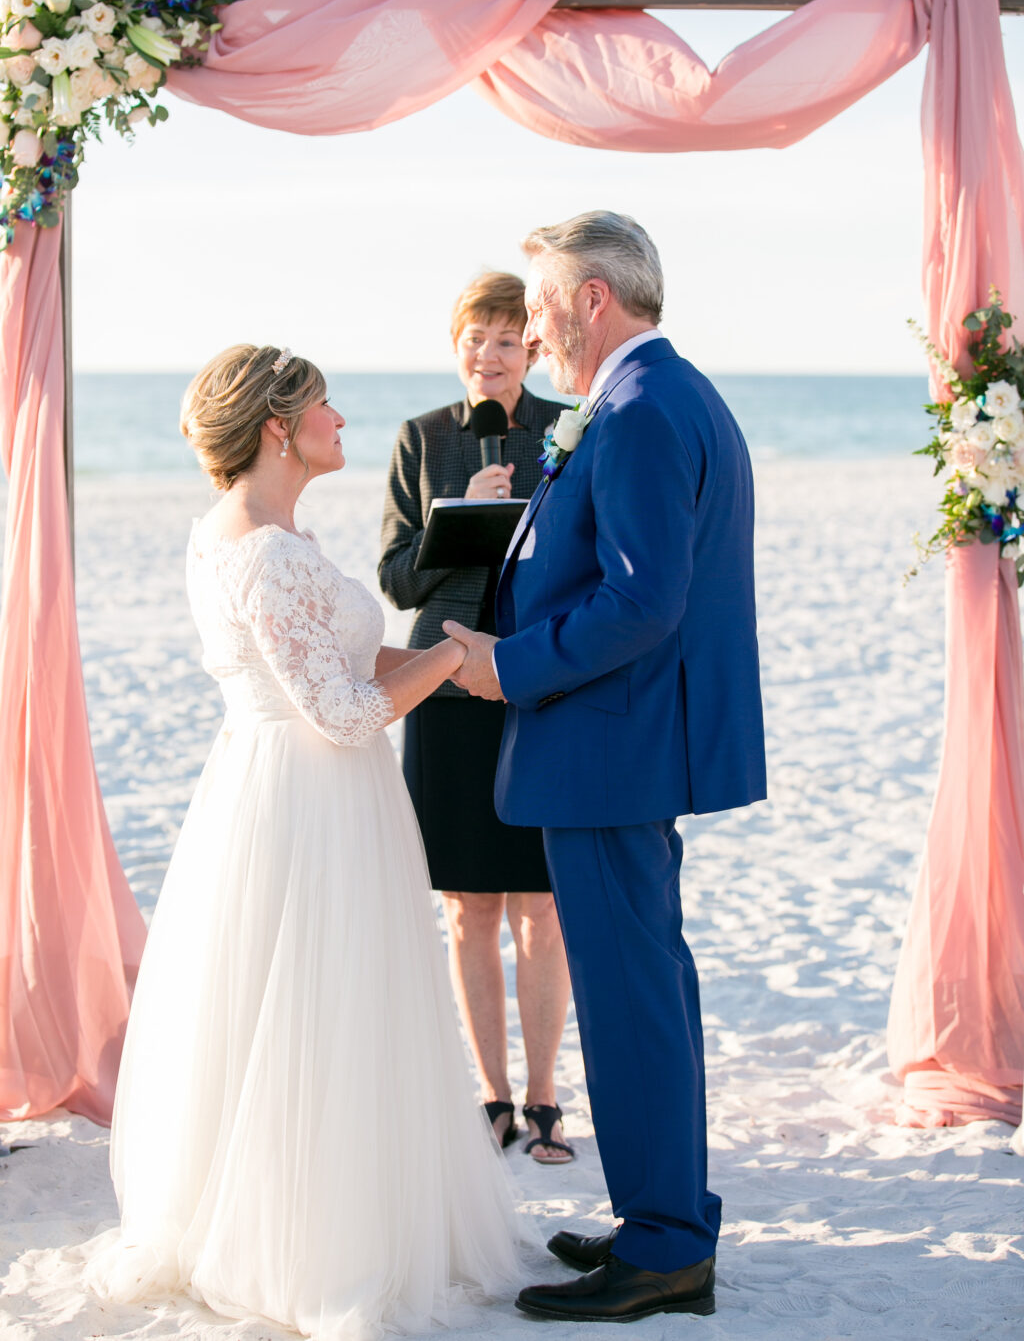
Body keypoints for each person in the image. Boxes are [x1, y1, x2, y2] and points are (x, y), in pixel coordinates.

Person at [86, 345, 522, 1339]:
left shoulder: (260, 530)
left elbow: (352, 657)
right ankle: (310, 1243)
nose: (341, 418)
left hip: (291, 786)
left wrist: (447, 661)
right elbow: (345, 714)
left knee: (316, 1011)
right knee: (312, 1013)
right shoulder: (262, 548)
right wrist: (455, 653)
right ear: (278, 427)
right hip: (307, 802)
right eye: (325, 404)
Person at [445, 212, 767, 1324]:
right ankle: (661, 1217)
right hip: (624, 745)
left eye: (537, 307)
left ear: (592, 299)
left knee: (634, 999)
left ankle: (669, 1244)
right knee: (647, 992)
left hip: (609, 746)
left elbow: (641, 599)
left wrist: (509, 668)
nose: (530, 331)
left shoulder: (634, 410)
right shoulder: (663, 394)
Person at [379, 273, 573, 1164]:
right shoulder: (420, 440)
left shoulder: (568, 430)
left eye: (505, 341)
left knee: (540, 905)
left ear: (530, 349)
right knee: (469, 908)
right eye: (475, 338)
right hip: (445, 690)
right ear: (455, 344)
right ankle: (490, 1096)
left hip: (535, 681)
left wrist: (522, 507)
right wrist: (459, 519)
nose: (488, 356)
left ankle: (544, 1100)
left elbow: (583, 555)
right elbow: (394, 580)